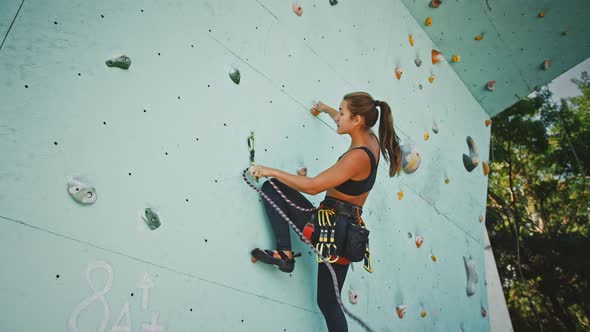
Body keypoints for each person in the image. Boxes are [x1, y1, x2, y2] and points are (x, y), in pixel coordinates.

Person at [248, 92, 402, 332]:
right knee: (329, 303)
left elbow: (314, 186)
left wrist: (269, 170)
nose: (338, 117)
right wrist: (325, 108)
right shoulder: (371, 139)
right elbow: (342, 122)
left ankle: (285, 253)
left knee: (272, 187)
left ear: (358, 119)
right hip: (348, 232)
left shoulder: (356, 157)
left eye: (342, 113)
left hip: (330, 227)